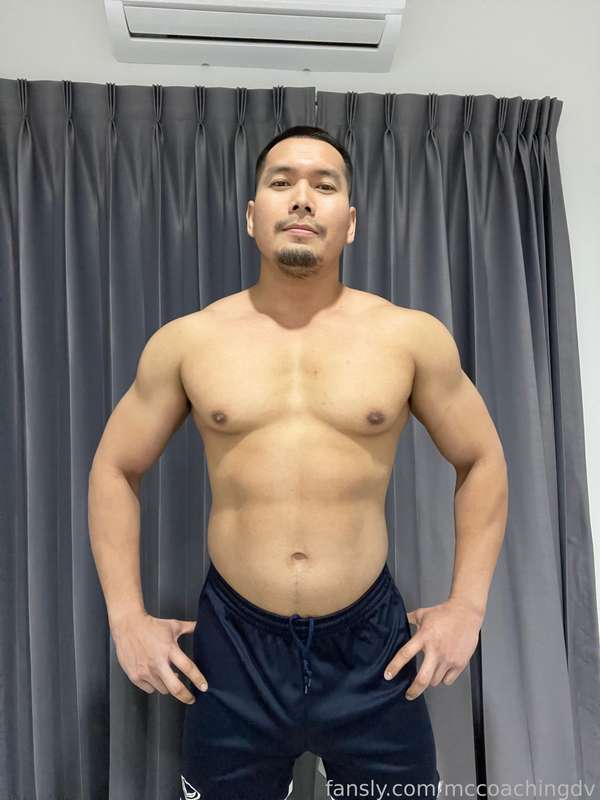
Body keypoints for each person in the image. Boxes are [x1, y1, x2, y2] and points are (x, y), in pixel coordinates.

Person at [88, 125, 508, 800]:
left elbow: (481, 458)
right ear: (253, 215)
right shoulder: (189, 342)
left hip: (369, 646)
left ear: (352, 222)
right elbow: (115, 467)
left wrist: (469, 606)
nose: (303, 198)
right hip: (234, 646)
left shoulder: (409, 338)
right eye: (282, 182)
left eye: (324, 184)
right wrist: (125, 619)